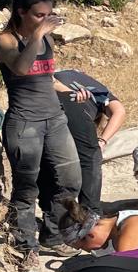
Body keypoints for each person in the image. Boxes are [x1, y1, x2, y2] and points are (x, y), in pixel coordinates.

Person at [0, 0, 84, 272]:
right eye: (39, 15)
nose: (46, 20)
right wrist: (36, 35)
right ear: (21, 12)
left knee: (70, 180)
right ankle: (26, 249)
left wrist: (71, 91)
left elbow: (46, 77)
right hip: (25, 123)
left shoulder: (45, 38)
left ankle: (53, 235)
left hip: (55, 119)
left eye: (49, 14)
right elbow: (21, 69)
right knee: (26, 189)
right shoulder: (7, 40)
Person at [38, 68, 126, 213]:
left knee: (48, 161)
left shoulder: (68, 74)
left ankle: (53, 214)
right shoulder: (99, 93)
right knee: (90, 159)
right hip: (70, 107)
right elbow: (119, 111)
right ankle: (90, 214)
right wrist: (102, 140)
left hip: (37, 106)